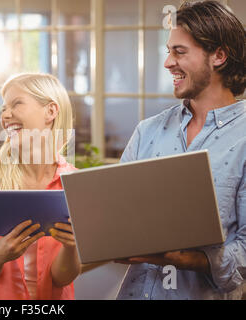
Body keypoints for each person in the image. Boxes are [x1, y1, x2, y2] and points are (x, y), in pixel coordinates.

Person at [115, 1, 245, 299]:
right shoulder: (147, 131)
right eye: (168, 51)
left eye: (180, 52)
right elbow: (118, 220)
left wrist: (185, 258)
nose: (168, 62)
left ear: (219, 56)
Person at [0, 73, 80, 300]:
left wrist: (71, 246)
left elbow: (62, 278)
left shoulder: (73, 182)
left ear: (51, 111)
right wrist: (0, 254)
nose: (6, 115)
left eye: (16, 104)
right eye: (3, 108)